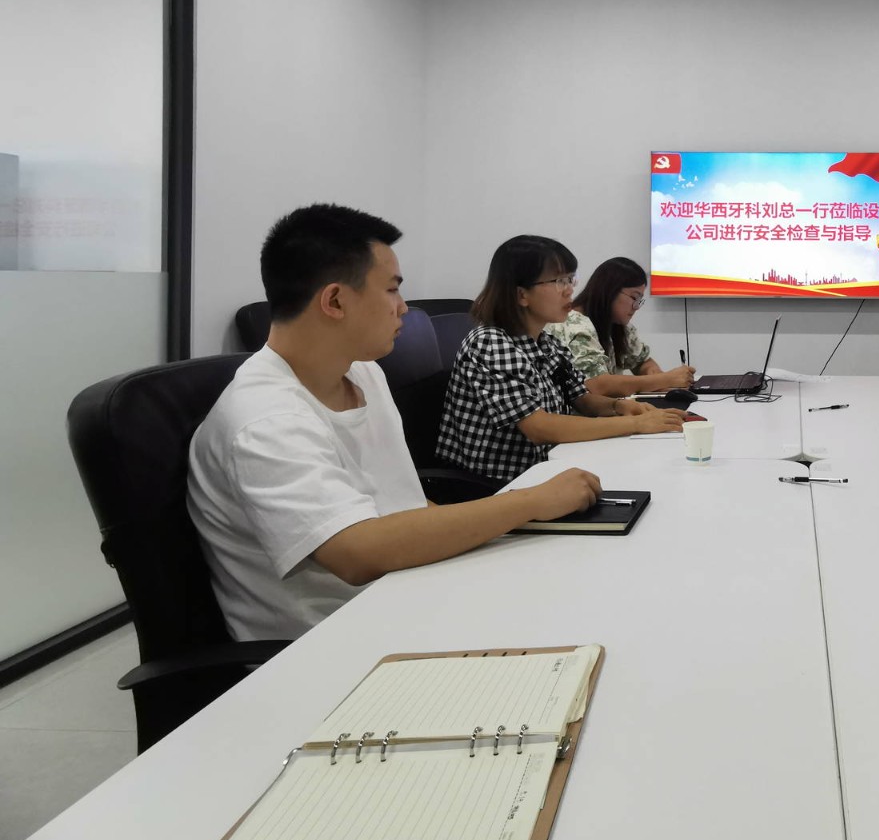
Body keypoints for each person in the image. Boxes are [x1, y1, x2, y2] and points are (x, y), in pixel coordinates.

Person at [188, 205, 603, 642]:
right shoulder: (264, 417)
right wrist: (531, 502)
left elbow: (406, 504)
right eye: (392, 290)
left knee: (580, 591)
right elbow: (358, 552)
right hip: (338, 646)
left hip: (411, 599)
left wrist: (508, 540)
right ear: (334, 301)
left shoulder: (363, 373)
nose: (404, 307)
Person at [437, 236, 685, 481]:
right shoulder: (491, 343)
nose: (569, 290)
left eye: (570, 279)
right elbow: (539, 428)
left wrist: (619, 407)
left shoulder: (546, 343)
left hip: (548, 468)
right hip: (500, 484)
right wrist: (636, 424)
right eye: (558, 281)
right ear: (522, 295)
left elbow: (583, 399)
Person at [545, 256, 696, 397]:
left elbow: (642, 361)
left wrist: (654, 375)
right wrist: (665, 379)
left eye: (640, 300)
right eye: (634, 297)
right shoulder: (573, 325)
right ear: (609, 290)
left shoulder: (618, 326)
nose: (636, 307)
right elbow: (597, 385)